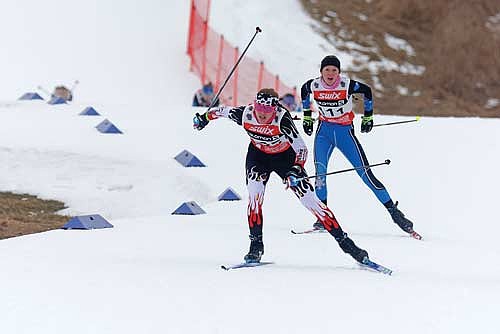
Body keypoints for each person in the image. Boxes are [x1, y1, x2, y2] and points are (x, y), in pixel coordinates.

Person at [193, 88, 372, 264]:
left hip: (285, 158)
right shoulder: (245, 113)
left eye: (267, 110)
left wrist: (295, 169)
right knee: (255, 198)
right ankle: (256, 246)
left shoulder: (282, 118)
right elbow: (219, 111)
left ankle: (347, 245)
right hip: (258, 157)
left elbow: (301, 149)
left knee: (311, 201)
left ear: (275, 108)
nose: (262, 114)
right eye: (260, 109)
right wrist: (203, 119)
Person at [300, 55, 417, 236]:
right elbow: (304, 92)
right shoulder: (313, 85)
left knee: (366, 175)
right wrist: (307, 116)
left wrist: (368, 116)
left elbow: (367, 91)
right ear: (321, 71)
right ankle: (323, 218)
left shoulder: (346, 85)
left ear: (339, 72)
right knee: (320, 175)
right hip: (323, 133)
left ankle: (395, 213)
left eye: (334, 70)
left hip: (345, 133)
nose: (330, 73)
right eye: (327, 70)